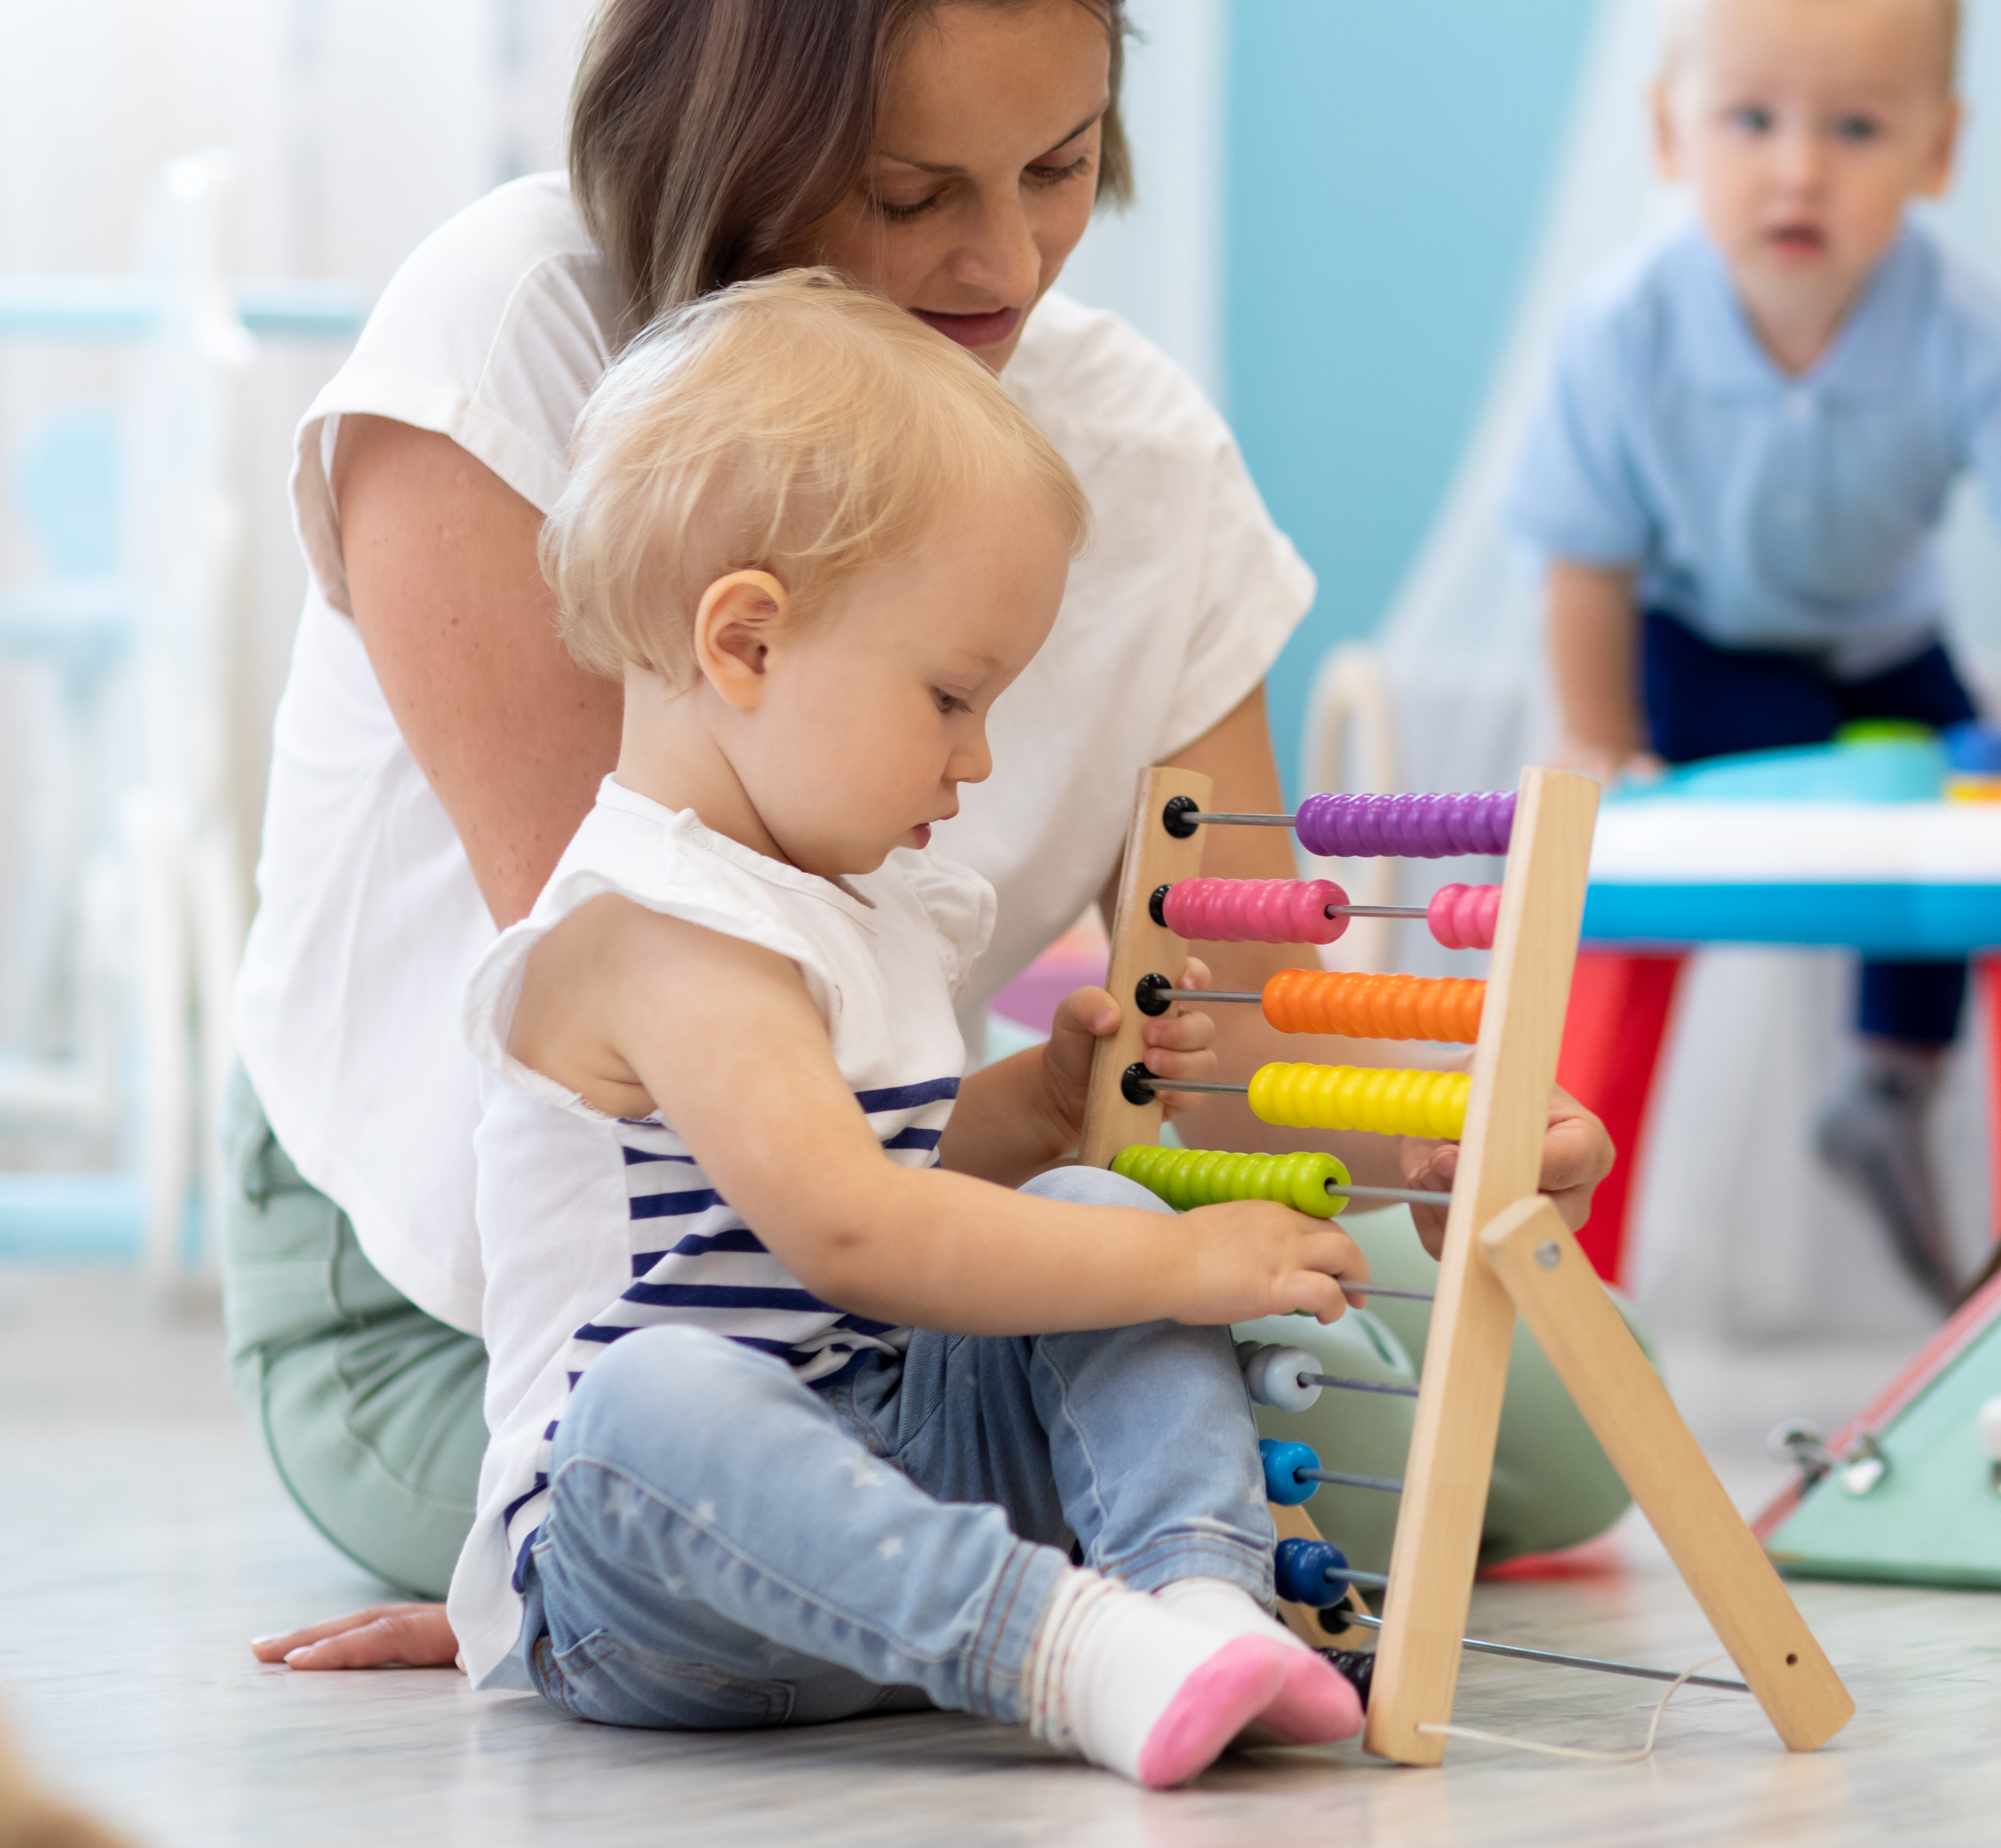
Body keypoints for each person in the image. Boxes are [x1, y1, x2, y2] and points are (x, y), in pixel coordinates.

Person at [234, 0, 1626, 1674]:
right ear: (736, 144)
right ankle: (993, 1606)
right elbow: (702, 1123)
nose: (1008, 264)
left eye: (1057, 166)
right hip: (516, 1287)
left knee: (1548, 1427)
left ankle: (1121, 1589)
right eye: (909, 195)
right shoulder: (518, 327)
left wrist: (1402, 1141)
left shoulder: (1135, 452)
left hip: (893, 1232)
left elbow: (1225, 1047)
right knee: (704, 1430)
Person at [452, 267, 1369, 1782]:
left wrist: (1045, 1102)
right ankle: (1066, 1651)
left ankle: (1201, 1601)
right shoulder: (654, 932)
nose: (981, 756)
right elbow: (857, 1233)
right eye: (952, 696)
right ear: (746, 644)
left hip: (869, 1491)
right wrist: (1190, 1256)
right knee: (654, 1396)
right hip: (651, 1581)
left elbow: (907, 1151)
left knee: (1085, 1197)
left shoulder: (850, 900)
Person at [1507, 0, 2001, 1305]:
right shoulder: (1620, 326)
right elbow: (1582, 558)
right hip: (1698, 641)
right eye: (1751, 121)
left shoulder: (1970, 331)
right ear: (1670, 133)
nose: (1797, 169)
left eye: (1855, 128)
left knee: (1955, 811)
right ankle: (1569, 1175)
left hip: (1888, 645)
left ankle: (1889, 1083)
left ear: (1936, 153)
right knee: (1707, 818)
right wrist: (1597, 729)